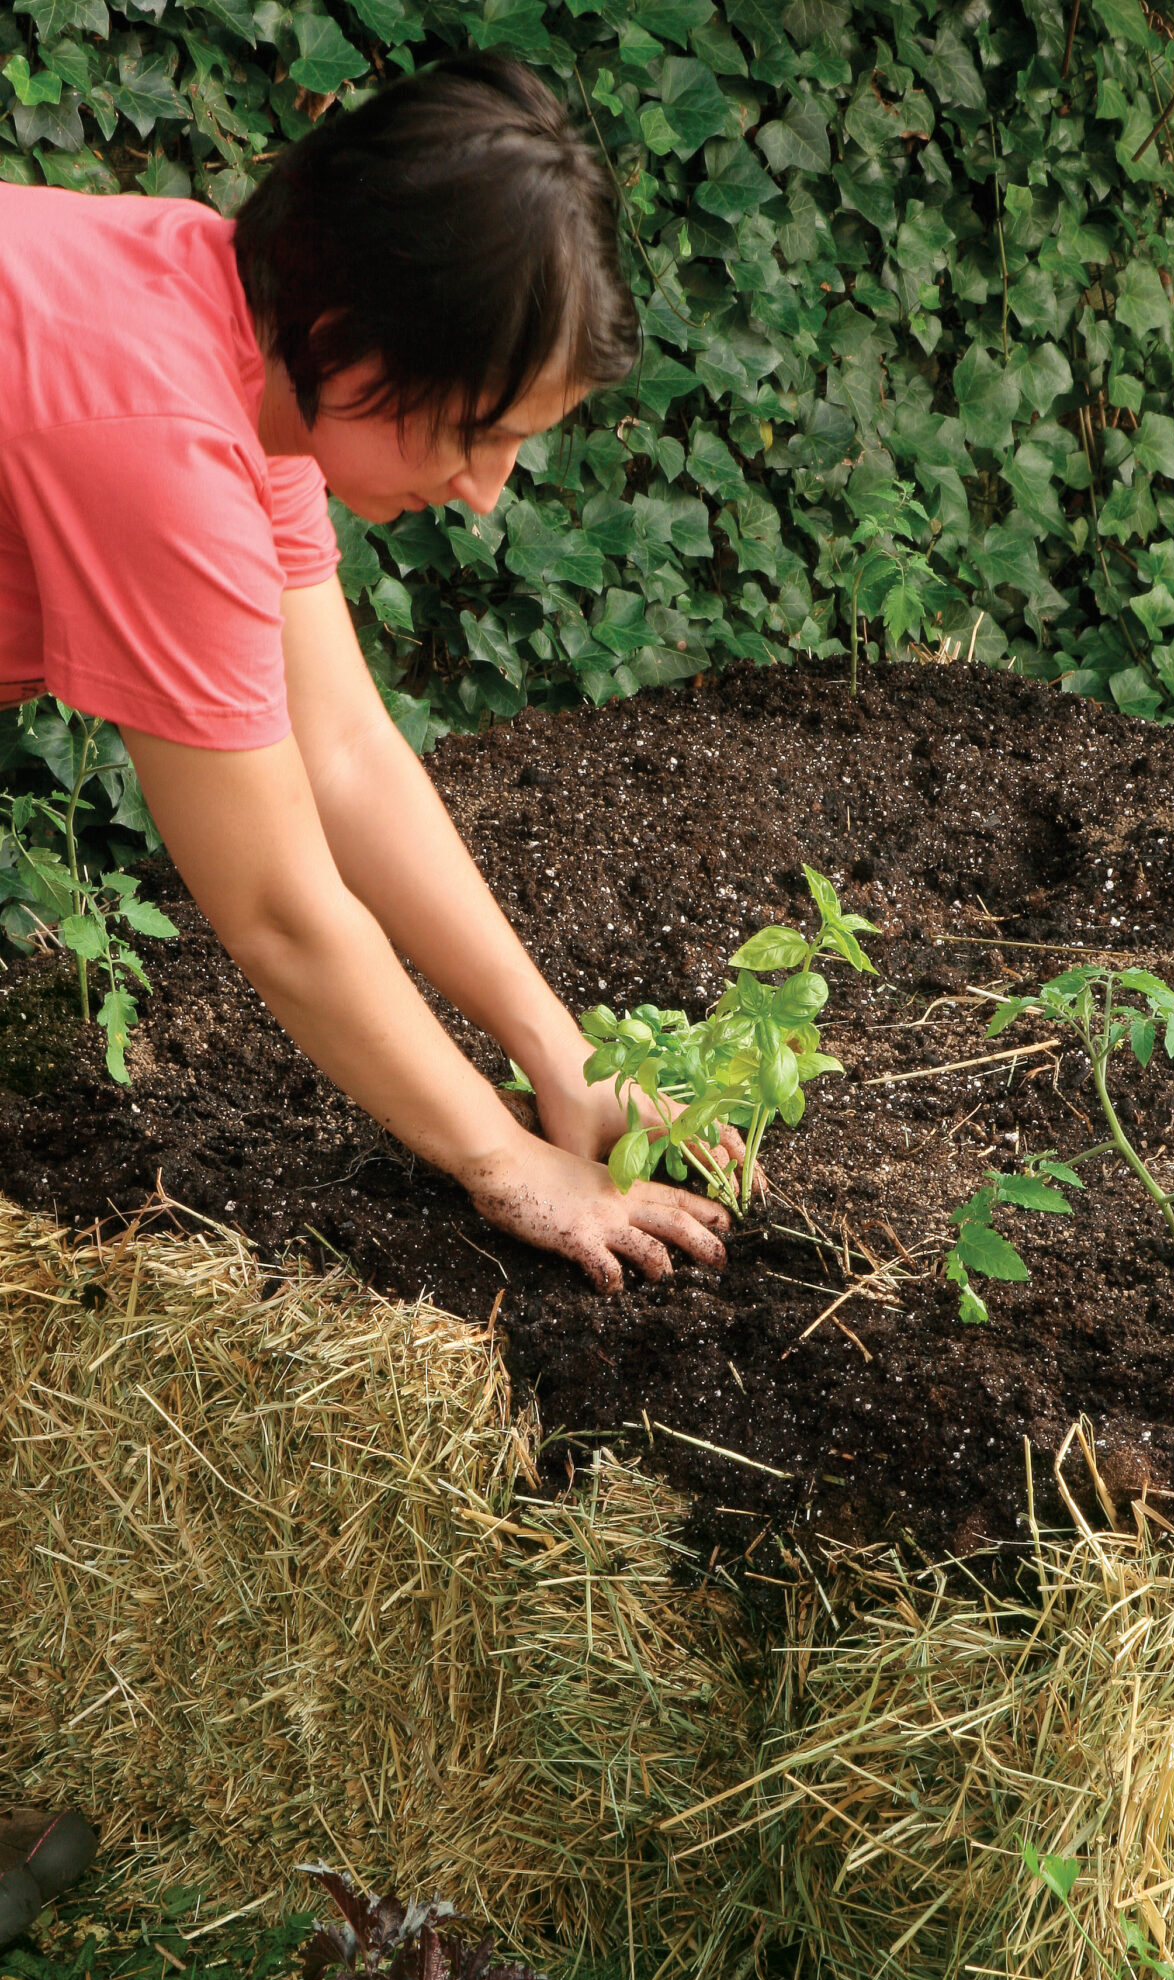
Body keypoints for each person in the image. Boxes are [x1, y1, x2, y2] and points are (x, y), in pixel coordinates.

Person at [0, 55, 741, 1292]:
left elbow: (341, 749)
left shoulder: (243, 348)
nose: (486, 491)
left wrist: (558, 1058)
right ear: (351, 344)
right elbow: (280, 909)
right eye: (477, 431)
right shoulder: (168, 451)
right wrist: (500, 1158)